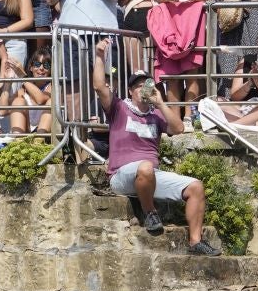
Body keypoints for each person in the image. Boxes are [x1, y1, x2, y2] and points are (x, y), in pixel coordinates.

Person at [92, 49, 219, 254]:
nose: (143, 89)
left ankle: (195, 242)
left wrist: (160, 102)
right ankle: (150, 213)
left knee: (196, 187)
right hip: (121, 175)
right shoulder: (119, 108)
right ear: (131, 91)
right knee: (145, 167)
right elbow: (99, 86)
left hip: (150, 175)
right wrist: (99, 55)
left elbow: (178, 129)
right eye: (139, 86)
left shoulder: (156, 114)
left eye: (147, 85)